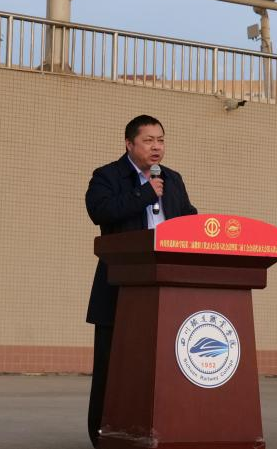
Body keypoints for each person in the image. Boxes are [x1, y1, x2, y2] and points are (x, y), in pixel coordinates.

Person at [84, 114, 197, 448]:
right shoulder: (107, 176)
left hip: (166, 291)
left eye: (160, 140)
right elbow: (100, 211)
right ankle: (103, 435)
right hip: (120, 289)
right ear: (129, 143)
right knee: (113, 369)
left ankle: (158, 432)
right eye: (148, 140)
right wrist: (144, 194)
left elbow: (188, 218)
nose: (156, 147)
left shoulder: (172, 179)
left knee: (159, 369)